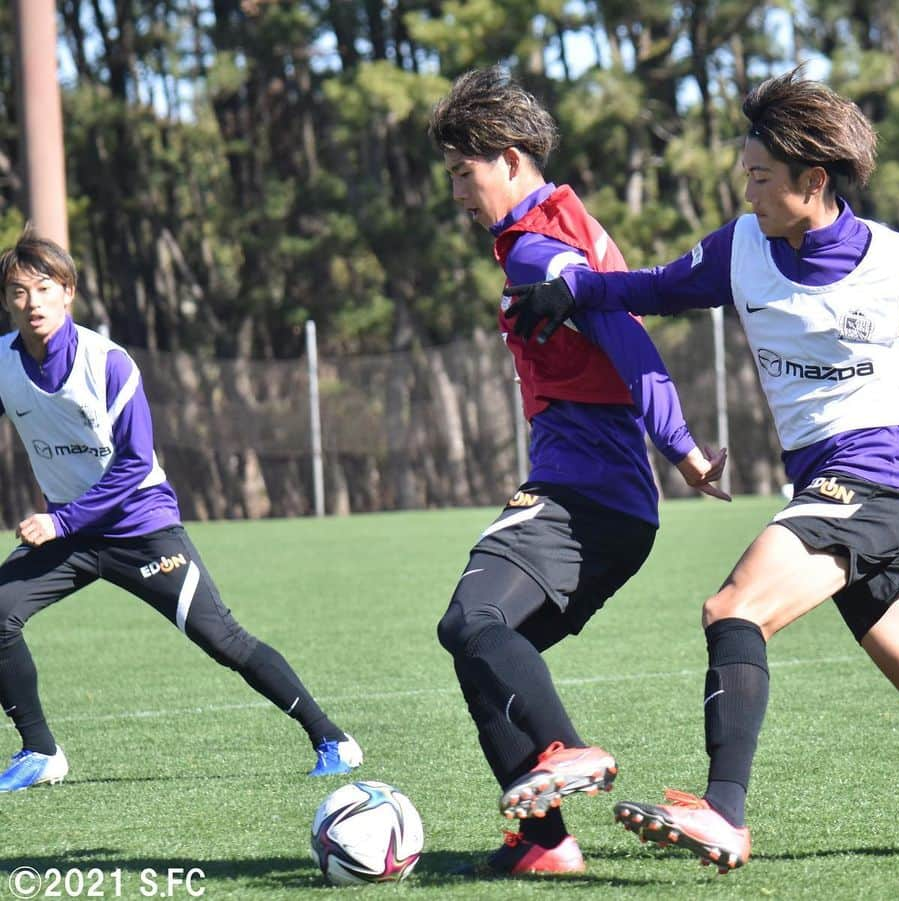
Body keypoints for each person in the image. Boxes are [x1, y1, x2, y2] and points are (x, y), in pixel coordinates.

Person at [504, 67, 899, 874]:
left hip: (875, 482)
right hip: (833, 493)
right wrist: (575, 294)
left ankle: (724, 814)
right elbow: (658, 286)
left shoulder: (896, 265)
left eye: (760, 175)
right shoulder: (744, 248)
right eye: (745, 171)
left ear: (814, 180)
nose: (747, 189)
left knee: (734, 608)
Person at [428, 67, 730, 877]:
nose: (457, 193)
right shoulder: (568, 225)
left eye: (465, 172)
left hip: (581, 490)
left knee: (470, 623)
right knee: (483, 645)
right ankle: (544, 844)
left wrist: (685, 448)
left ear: (513, 158)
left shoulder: (535, 248)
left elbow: (624, 338)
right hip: (617, 506)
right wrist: (683, 451)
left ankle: (564, 748)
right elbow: (619, 322)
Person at [0, 227, 363, 793]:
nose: (33, 303)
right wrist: (64, 524)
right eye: (19, 292)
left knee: (223, 639)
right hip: (69, 537)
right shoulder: (4, 361)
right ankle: (40, 751)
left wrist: (62, 520)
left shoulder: (108, 363)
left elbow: (135, 465)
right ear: (7, 302)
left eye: (45, 288)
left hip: (139, 528)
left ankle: (332, 738)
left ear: (68, 292)